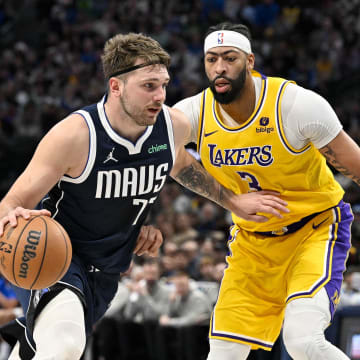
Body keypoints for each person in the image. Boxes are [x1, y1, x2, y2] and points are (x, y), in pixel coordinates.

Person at [0, 32, 288, 360]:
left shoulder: (170, 126)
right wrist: (13, 218)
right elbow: (11, 202)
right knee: (64, 344)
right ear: (116, 86)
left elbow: (181, 165)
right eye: (149, 86)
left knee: (49, 346)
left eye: (164, 85)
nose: (160, 96)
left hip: (106, 272)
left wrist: (234, 201)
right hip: (56, 258)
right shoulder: (75, 135)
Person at [174, 22, 360, 360]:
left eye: (229, 58)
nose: (219, 68)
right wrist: (230, 200)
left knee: (303, 341)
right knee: (223, 353)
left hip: (313, 231)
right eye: (211, 59)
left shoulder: (295, 105)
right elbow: (165, 154)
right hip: (253, 244)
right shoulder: (193, 113)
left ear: (249, 61)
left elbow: (356, 165)